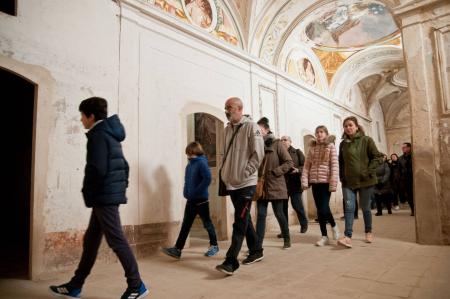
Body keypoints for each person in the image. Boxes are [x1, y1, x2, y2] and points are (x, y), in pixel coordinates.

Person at [49, 97, 148, 299]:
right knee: (91, 240)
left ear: (90, 115)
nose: (81, 120)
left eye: (82, 116)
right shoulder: (110, 134)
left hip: (103, 196)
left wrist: (89, 191)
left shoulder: (98, 135)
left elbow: (97, 168)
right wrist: (119, 188)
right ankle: (75, 285)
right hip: (106, 195)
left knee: (116, 240)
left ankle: (137, 285)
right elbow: (124, 165)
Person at [215, 97, 264, 275]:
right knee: (245, 218)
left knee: (240, 220)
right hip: (232, 182)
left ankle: (231, 261)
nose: (227, 111)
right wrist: (225, 174)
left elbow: (258, 154)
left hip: (246, 182)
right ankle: (256, 250)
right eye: (226, 108)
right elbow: (224, 154)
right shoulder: (226, 129)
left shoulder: (251, 127)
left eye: (230, 107)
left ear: (240, 109)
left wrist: (245, 173)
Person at [162, 141, 219, 259]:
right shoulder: (189, 165)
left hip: (201, 200)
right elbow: (187, 181)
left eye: (190, 153)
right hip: (191, 200)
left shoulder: (202, 163)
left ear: (195, 152)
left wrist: (197, 191)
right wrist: (186, 192)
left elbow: (207, 179)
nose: (188, 156)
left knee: (207, 224)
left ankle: (214, 245)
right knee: (186, 225)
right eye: (187, 153)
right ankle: (177, 249)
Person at [337, 116, 382, 248]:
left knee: (365, 207)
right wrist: (342, 177)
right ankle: (347, 236)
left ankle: (368, 231)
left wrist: (368, 171)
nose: (348, 128)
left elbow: (378, 157)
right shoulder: (343, 144)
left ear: (356, 126)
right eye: (345, 126)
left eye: (350, 125)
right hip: (348, 182)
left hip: (365, 181)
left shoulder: (366, 140)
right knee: (349, 208)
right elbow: (341, 163)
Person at [252, 117, 293, 253]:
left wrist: (276, 172)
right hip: (261, 186)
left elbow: (289, 163)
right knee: (261, 216)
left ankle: (287, 239)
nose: (257, 132)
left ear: (267, 130)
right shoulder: (256, 145)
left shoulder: (277, 144)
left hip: (275, 184)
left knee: (279, 214)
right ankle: (257, 246)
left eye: (260, 130)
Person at [301, 125, 340, 246]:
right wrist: (304, 180)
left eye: (321, 132)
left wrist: (333, 183)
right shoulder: (312, 148)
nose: (319, 134)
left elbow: (334, 165)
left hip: (326, 182)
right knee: (320, 210)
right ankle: (324, 236)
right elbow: (307, 165)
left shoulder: (330, 146)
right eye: (317, 132)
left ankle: (334, 226)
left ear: (326, 134)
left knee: (323, 208)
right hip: (315, 182)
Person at [279, 135, 308, 236]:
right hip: (282, 184)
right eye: (281, 140)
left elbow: (305, 165)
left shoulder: (297, 152)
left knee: (297, 206)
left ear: (290, 142)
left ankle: (304, 224)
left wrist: (297, 170)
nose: (283, 141)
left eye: (285, 140)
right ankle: (284, 231)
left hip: (295, 183)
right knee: (283, 209)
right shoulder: (278, 153)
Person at [398, 143, 414, 216]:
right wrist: (401, 178)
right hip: (406, 179)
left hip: (414, 177)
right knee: (409, 196)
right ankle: (413, 210)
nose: (403, 149)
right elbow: (399, 170)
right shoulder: (400, 158)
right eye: (402, 147)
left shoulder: (414, 156)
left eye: (404, 147)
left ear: (409, 147)